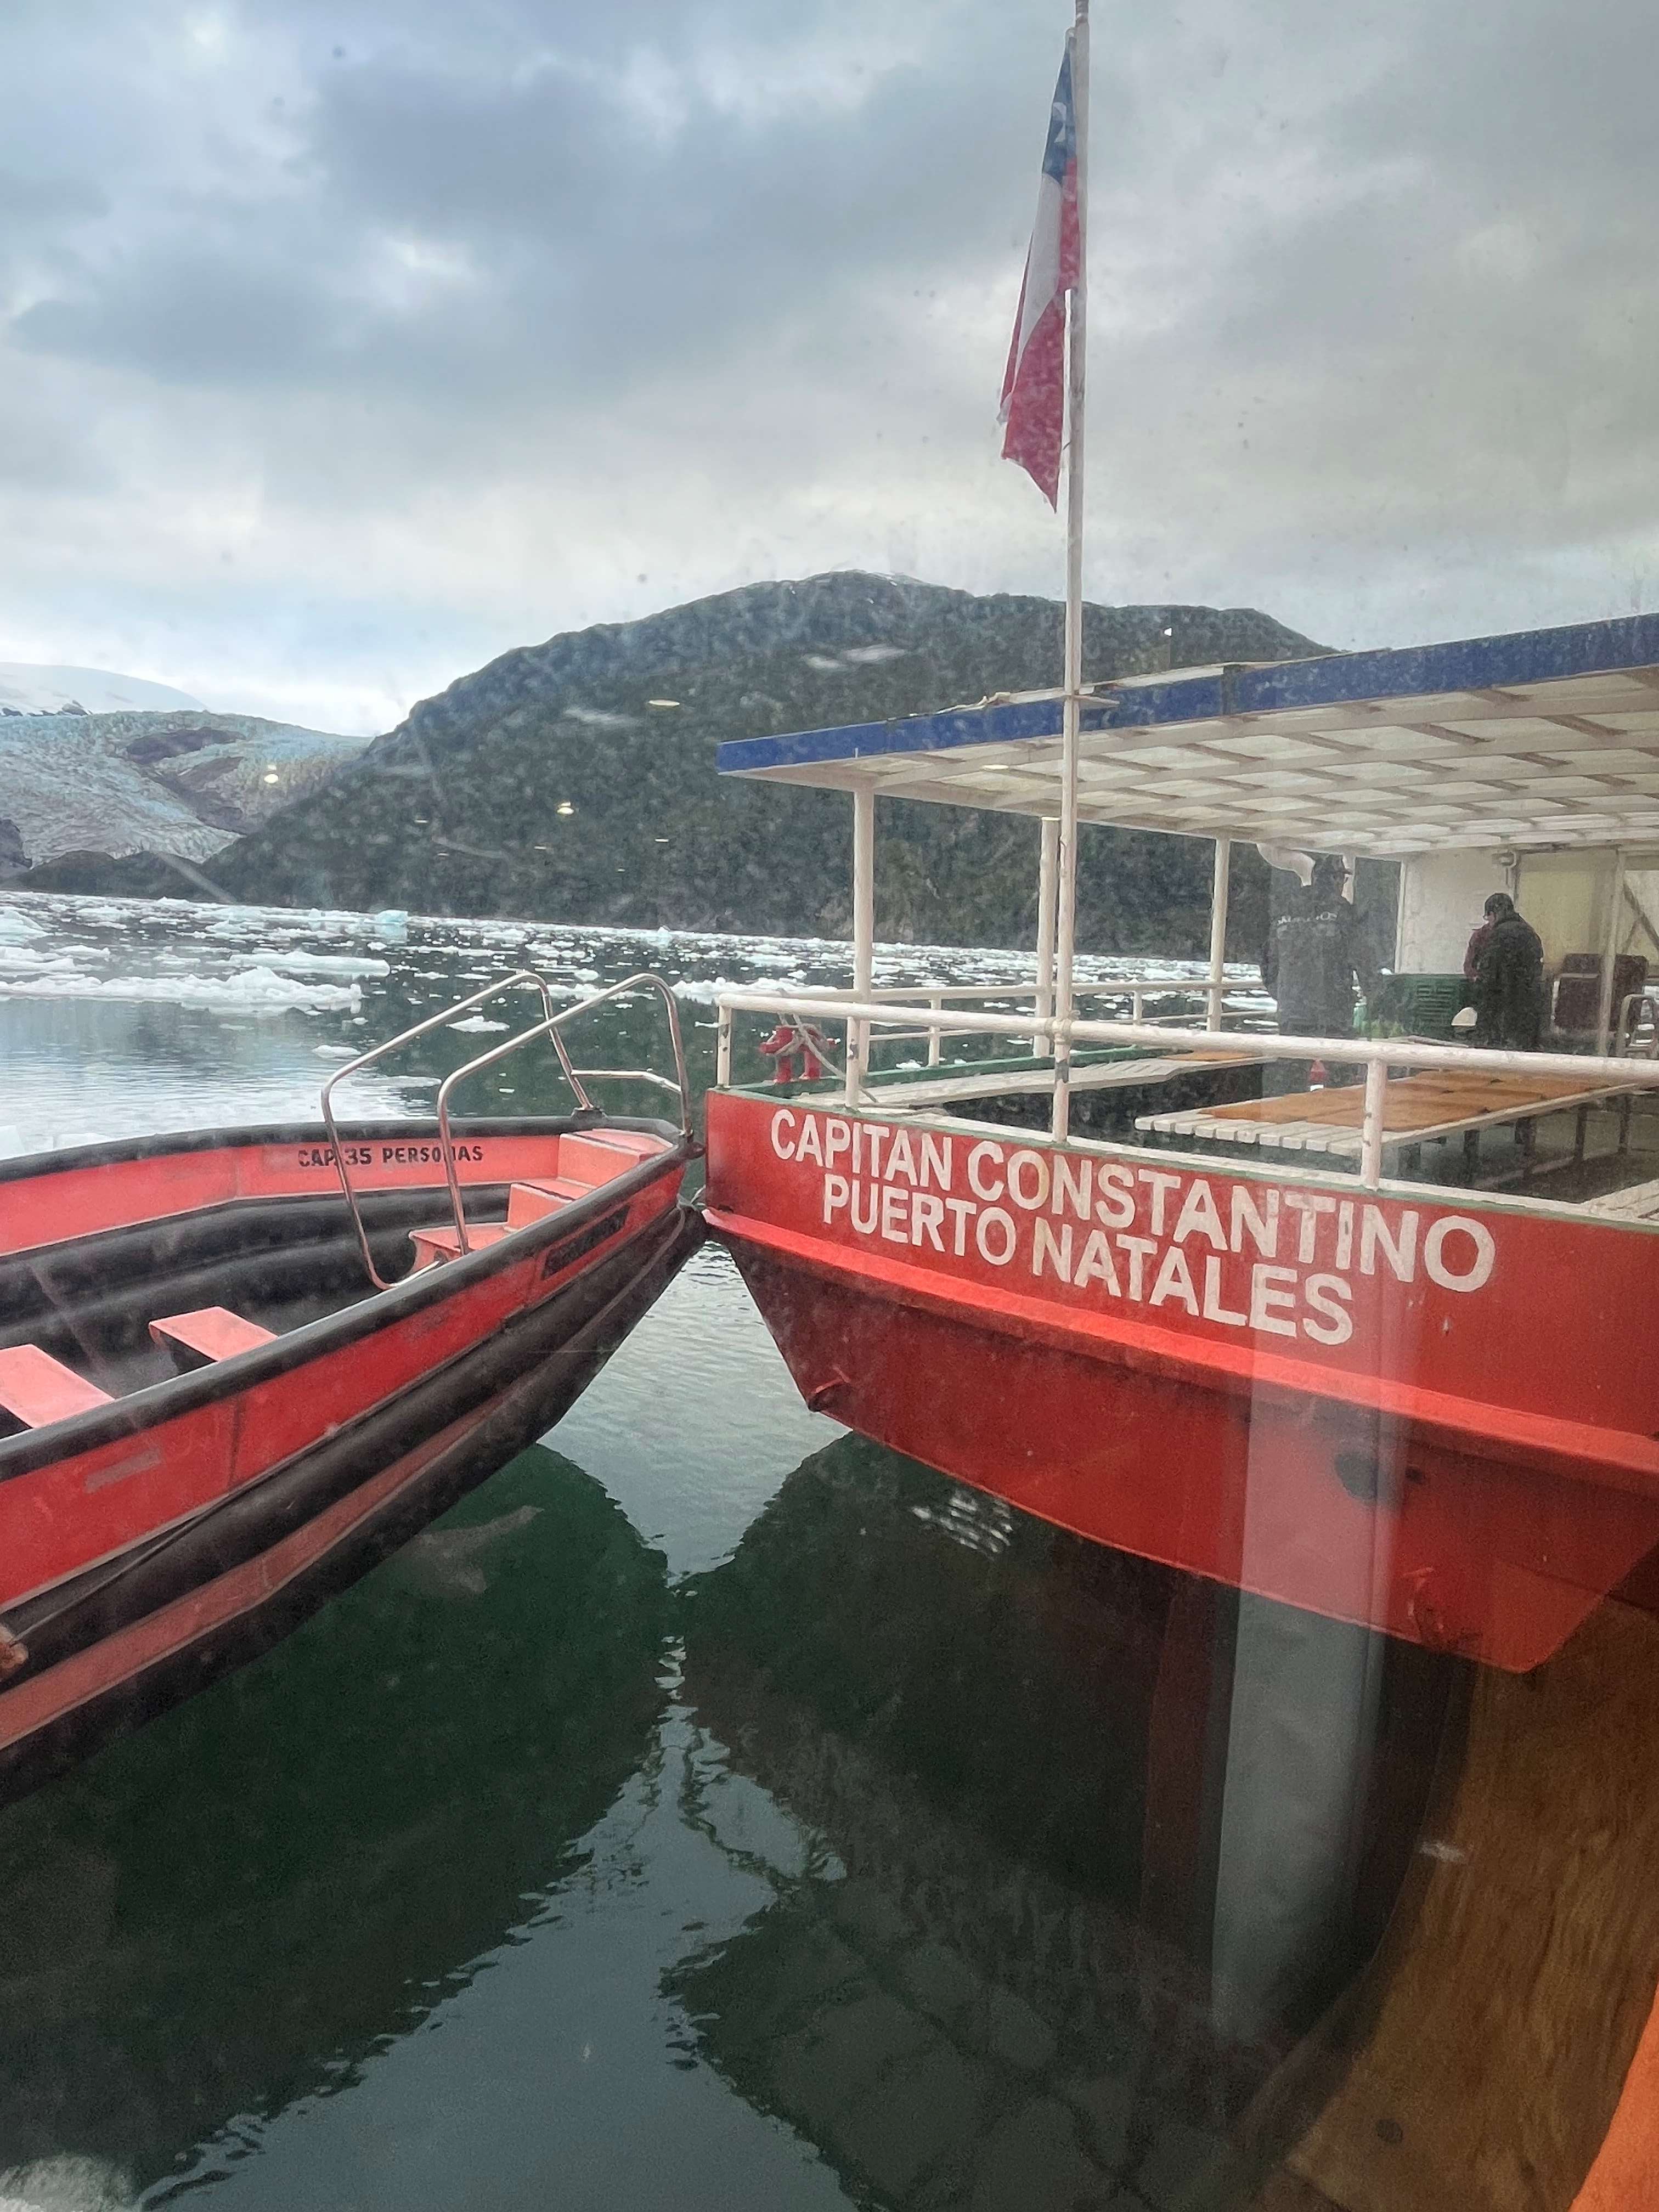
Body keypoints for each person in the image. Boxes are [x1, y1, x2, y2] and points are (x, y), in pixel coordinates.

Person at [1260, 855, 1381, 1050]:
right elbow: (1365, 963)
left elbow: (1268, 966)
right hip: (1332, 1016)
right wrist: (1376, 1001)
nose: (1342, 884)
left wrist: (1288, 996)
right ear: (1335, 879)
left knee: (1294, 1064)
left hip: (1291, 1014)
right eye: (1342, 879)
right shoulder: (1344, 913)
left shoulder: (1286, 909)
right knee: (1338, 1066)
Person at [1469, 891, 1544, 1050]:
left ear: (1494, 914)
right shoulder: (1531, 934)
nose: (1489, 923)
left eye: (1488, 917)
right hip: (1528, 1015)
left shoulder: (1498, 935)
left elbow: (1489, 977)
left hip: (1502, 1017)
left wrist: (1478, 993)